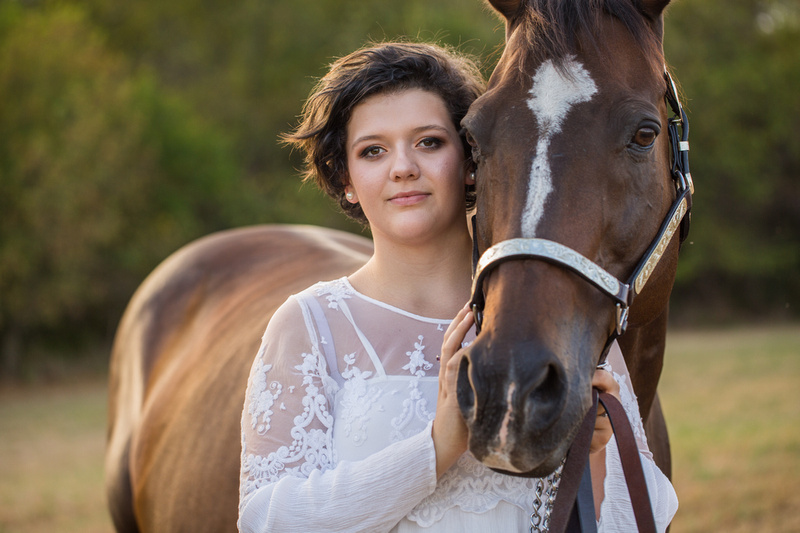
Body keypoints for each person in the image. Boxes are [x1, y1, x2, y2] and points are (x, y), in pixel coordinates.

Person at [238, 41, 678, 532]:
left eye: (429, 142)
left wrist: (596, 454)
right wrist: (438, 445)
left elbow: (645, 522)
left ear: (473, 160)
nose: (402, 167)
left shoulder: (557, 311)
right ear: (345, 178)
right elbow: (267, 520)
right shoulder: (311, 325)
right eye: (373, 151)